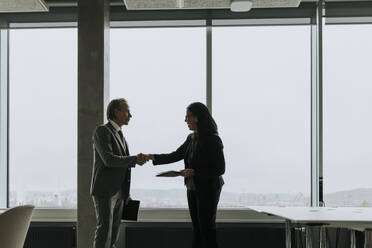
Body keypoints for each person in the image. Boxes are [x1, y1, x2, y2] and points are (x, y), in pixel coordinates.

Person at [147, 102, 225, 248]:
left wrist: (195, 172)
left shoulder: (213, 139)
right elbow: (175, 155)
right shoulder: (191, 138)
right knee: (197, 229)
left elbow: (220, 169)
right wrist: (152, 157)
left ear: (197, 118)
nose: (185, 120)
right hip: (192, 187)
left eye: (188, 116)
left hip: (208, 189)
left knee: (206, 230)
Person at [90, 98, 148, 248]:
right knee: (104, 231)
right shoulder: (102, 131)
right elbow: (109, 159)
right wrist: (135, 159)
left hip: (119, 193)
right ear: (116, 111)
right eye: (127, 111)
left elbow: (123, 167)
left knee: (114, 233)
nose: (130, 115)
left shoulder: (121, 136)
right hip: (105, 191)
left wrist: (125, 192)